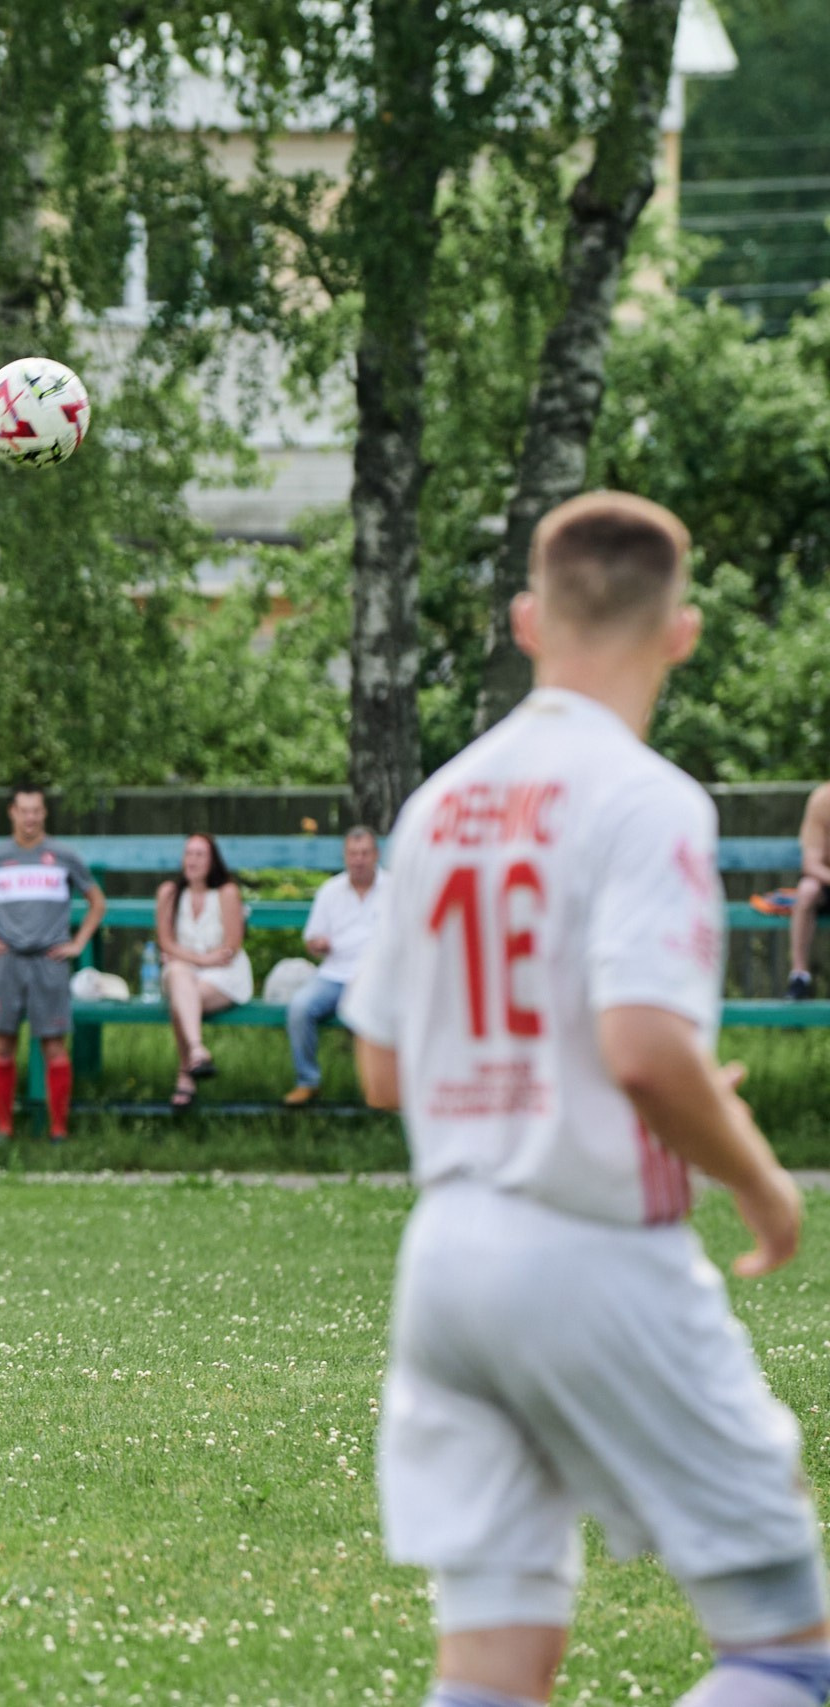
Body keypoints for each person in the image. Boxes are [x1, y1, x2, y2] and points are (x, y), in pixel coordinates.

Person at [344, 491, 830, 1707]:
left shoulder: (439, 804)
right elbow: (643, 1051)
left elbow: (383, 1067)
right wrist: (765, 1188)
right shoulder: (647, 799)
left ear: (524, 621)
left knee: (495, 1666)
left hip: (447, 1260)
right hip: (590, 1248)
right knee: (792, 1653)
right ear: (683, 633)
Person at [0, 785, 105, 1141]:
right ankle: (3, 1127)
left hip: (50, 960)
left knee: (54, 1044)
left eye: (37, 811)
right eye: (24, 811)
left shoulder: (63, 856)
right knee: (3, 1043)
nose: (30, 818)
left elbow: (97, 902)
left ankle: (58, 1129)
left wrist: (77, 943)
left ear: (44, 813)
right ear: (12, 812)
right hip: (7, 960)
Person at [284, 826, 383, 1107]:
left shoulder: (393, 889)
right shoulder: (330, 890)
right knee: (300, 1008)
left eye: (365, 853)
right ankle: (308, 1082)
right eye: (353, 853)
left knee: (390, 1011)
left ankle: (381, 1088)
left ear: (376, 855)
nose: (359, 860)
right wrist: (317, 944)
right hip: (335, 974)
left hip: (376, 976)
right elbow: (311, 938)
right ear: (345, 856)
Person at [155, 833, 252, 1111]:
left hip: (225, 976)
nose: (193, 860)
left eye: (200, 854)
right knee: (177, 974)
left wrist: (191, 959)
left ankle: (185, 1074)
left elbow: (231, 946)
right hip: (185, 972)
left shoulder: (227, 893)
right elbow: (165, 941)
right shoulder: (169, 893)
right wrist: (201, 959)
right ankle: (197, 1050)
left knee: (180, 1000)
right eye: (189, 854)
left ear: (212, 861)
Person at [787, 781, 829, 999]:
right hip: (825, 881)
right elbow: (811, 864)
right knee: (806, 890)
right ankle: (799, 977)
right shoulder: (823, 800)